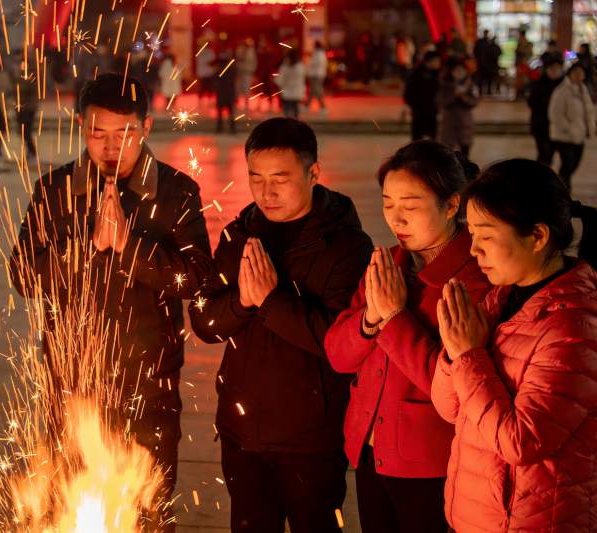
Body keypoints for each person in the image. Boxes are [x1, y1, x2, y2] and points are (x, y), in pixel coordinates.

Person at [9, 73, 212, 533]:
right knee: (67, 506)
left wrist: (129, 247)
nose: (111, 147)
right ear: (82, 127)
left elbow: (196, 277)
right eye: (99, 133)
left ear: (146, 127)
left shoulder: (177, 192)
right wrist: (83, 247)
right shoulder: (55, 190)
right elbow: (22, 274)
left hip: (148, 385)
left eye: (126, 133)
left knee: (147, 508)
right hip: (72, 382)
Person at [189, 118, 373, 533]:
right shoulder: (241, 235)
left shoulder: (346, 246)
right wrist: (243, 301)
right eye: (256, 178)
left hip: (310, 438)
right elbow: (204, 321)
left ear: (313, 173)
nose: (266, 193)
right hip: (242, 433)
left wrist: (270, 302)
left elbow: (337, 343)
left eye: (280, 179)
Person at [325, 141, 489, 533]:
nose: (396, 218)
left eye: (411, 206)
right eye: (387, 203)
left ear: (452, 206)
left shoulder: (474, 279)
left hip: (430, 462)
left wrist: (395, 317)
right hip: (369, 449)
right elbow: (337, 355)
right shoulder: (388, 265)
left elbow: (452, 384)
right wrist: (371, 318)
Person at [432, 159, 597, 532]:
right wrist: (454, 351)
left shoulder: (575, 326)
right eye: (471, 234)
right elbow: (448, 408)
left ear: (537, 237)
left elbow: (521, 443)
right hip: (477, 515)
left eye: (486, 236)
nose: (474, 250)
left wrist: (469, 356)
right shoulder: (499, 299)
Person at [548, 62, 595, 191]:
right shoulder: (562, 91)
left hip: (579, 134)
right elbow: (556, 114)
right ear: (570, 74)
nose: (579, 76)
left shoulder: (583, 90)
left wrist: (589, 127)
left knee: (574, 164)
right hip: (564, 136)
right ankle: (563, 189)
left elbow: (588, 111)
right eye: (576, 73)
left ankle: (560, 185)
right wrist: (569, 128)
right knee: (567, 164)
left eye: (581, 73)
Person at [527, 56, 564, 165]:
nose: (555, 70)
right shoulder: (539, 84)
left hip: (558, 126)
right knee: (544, 155)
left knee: (551, 155)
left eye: (557, 67)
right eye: (552, 68)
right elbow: (531, 102)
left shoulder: (565, 85)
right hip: (541, 125)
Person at [438, 58, 478, 158]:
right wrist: (453, 95)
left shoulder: (470, 85)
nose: (459, 73)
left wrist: (463, 97)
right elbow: (441, 101)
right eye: (456, 70)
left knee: (465, 150)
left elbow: (474, 101)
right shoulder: (445, 85)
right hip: (449, 122)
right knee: (448, 151)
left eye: (461, 70)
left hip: (465, 121)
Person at [404, 50, 441, 141]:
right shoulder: (416, 74)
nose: (438, 63)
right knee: (417, 140)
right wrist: (417, 105)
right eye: (437, 61)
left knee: (433, 140)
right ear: (429, 61)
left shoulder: (439, 75)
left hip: (432, 113)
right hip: (419, 113)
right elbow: (408, 94)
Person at [276, 49, 306, 119]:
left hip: (287, 92)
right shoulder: (300, 66)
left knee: (287, 114)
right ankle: (296, 127)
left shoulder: (285, 67)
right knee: (296, 112)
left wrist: (277, 82)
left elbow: (280, 80)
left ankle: (287, 127)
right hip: (297, 92)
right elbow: (303, 79)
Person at [215, 46, 237, 133]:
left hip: (222, 93)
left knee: (221, 112)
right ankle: (232, 128)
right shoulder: (231, 68)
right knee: (230, 112)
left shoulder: (219, 70)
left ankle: (220, 128)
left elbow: (215, 80)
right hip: (229, 93)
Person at [235, 38, 258, 113]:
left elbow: (254, 61)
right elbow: (238, 59)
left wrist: (252, 70)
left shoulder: (251, 51)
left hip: (247, 72)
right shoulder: (239, 49)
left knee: (246, 89)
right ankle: (237, 104)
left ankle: (246, 105)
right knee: (238, 88)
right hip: (239, 72)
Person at [307, 41, 328, 113]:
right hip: (317, 74)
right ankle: (307, 105)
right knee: (312, 91)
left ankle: (323, 107)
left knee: (317, 90)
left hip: (316, 75)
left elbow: (315, 64)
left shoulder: (318, 54)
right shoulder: (320, 53)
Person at [514, 29, 534, 100]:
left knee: (523, 80)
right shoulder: (522, 43)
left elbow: (528, 54)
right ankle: (520, 94)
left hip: (524, 65)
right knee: (520, 81)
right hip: (522, 65)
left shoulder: (525, 44)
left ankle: (522, 94)